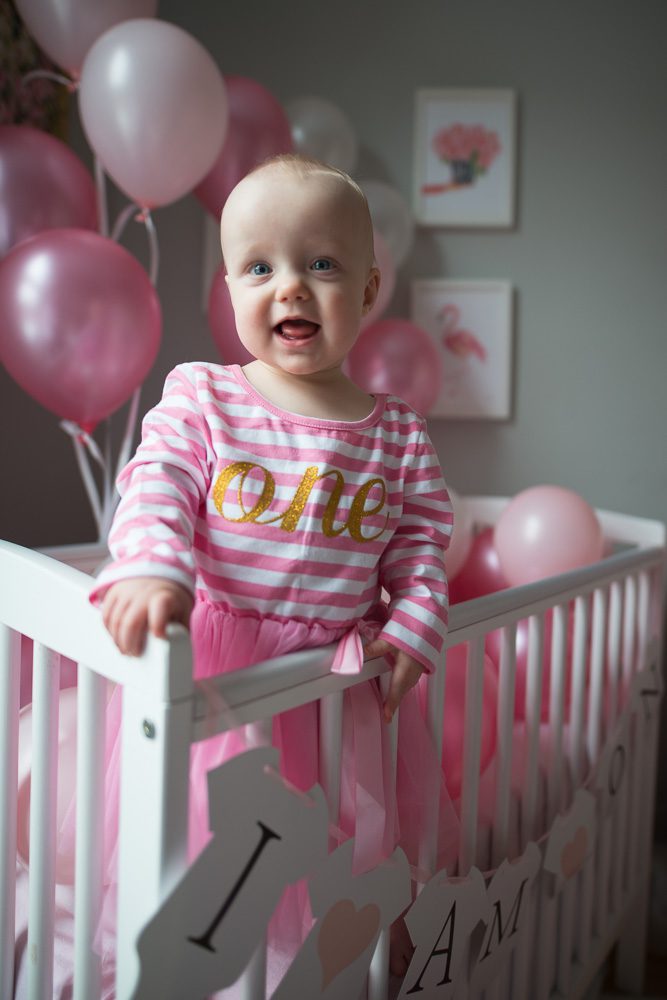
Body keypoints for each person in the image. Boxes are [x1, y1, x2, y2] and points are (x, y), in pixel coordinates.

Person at [91, 153, 455, 978]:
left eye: (320, 264)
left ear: (366, 290)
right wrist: (153, 568)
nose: (288, 287)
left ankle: (304, 973)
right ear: (230, 292)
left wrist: (413, 624)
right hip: (221, 677)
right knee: (199, 857)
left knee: (324, 863)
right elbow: (158, 485)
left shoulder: (394, 435)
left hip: (332, 690)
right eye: (260, 267)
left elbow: (422, 549)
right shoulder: (205, 397)